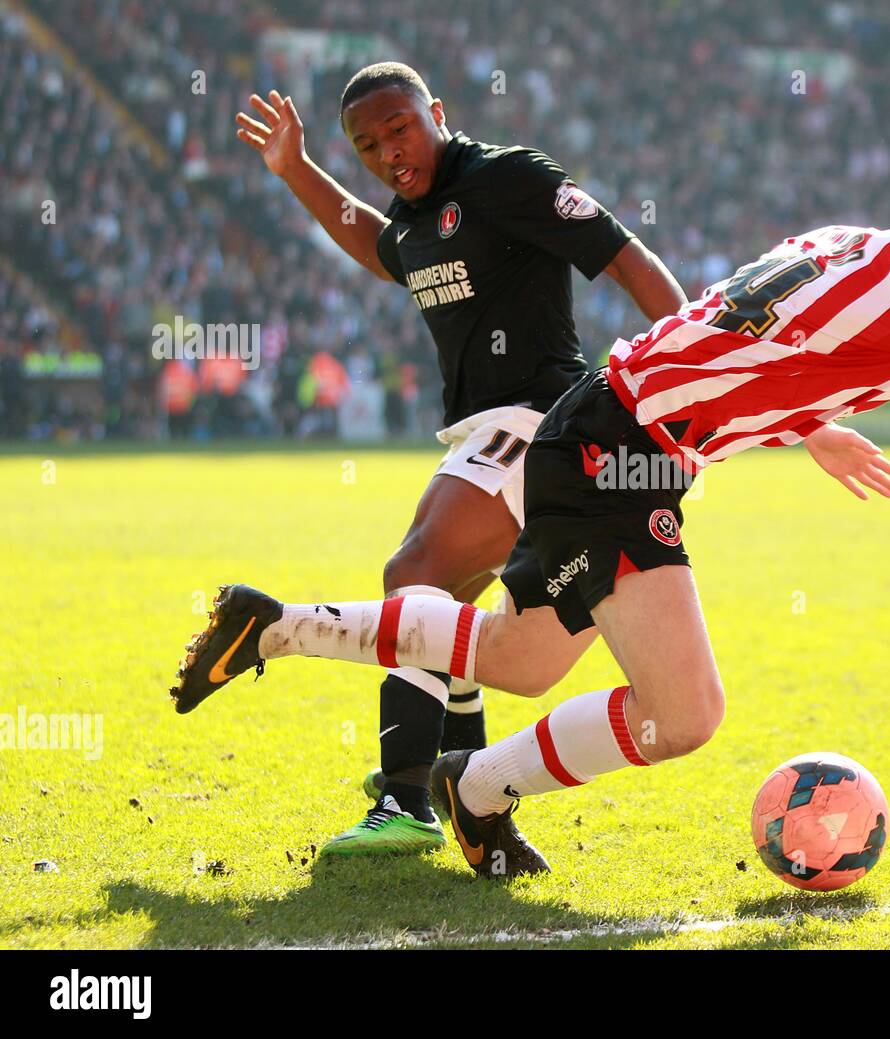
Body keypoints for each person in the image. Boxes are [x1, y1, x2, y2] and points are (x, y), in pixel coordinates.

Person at [169, 183, 890, 879]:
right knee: (680, 712)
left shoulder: (870, 245)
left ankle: (348, 690)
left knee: (524, 662)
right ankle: (429, 751)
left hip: (628, 438)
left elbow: (752, 335)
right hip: (616, 444)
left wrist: (815, 425)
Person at [217, 61, 687, 856]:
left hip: (542, 420)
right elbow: (381, 248)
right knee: (454, 614)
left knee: (414, 577)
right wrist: (296, 169)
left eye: (400, 128)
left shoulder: (505, 178)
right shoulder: (416, 213)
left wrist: (691, 373)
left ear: (436, 111)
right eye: (367, 145)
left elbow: (625, 257)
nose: (388, 151)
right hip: (490, 428)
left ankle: (405, 797)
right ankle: (458, 777)